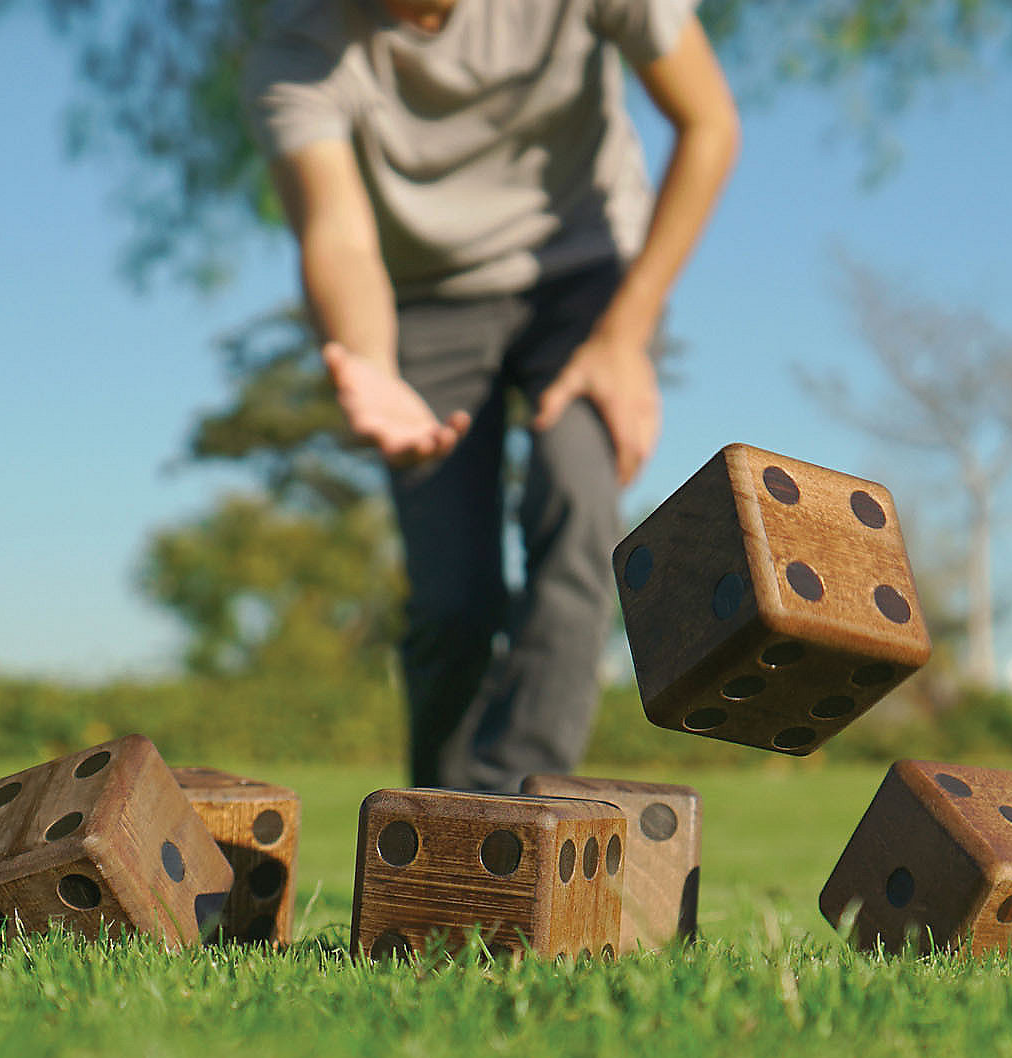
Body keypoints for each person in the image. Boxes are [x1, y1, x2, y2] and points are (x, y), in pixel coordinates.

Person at [244, 0, 740, 790]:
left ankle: (522, 806)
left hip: (585, 278)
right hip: (426, 299)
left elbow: (709, 123)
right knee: (453, 599)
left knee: (576, 499)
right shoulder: (301, 45)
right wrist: (371, 362)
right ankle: (433, 823)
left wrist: (625, 337)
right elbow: (337, 231)